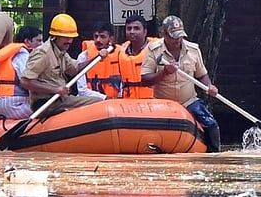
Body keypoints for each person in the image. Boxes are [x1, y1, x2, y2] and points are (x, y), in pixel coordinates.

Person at [141, 15, 221, 152]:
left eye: (180, 36)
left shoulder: (193, 49)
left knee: (211, 124)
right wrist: (164, 72)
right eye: (174, 36)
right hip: (163, 103)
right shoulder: (153, 50)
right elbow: (145, 80)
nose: (178, 40)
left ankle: (214, 154)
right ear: (164, 34)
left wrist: (210, 86)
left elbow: (202, 75)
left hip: (188, 101)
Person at [19, 13, 101, 115]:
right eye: (65, 37)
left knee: (99, 100)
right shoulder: (43, 53)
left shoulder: (61, 51)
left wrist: (98, 57)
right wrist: (55, 90)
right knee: (98, 103)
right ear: (55, 36)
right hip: (46, 103)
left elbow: (75, 69)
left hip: (60, 100)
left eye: (71, 37)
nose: (69, 41)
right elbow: (25, 81)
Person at [0, 25, 44, 118]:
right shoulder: (22, 55)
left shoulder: (10, 55)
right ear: (27, 41)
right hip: (13, 105)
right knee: (49, 110)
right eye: (38, 40)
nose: (42, 44)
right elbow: (27, 80)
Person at [77, 23, 122, 100]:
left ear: (111, 39)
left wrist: (121, 94)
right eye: (96, 36)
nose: (98, 40)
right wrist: (105, 98)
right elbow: (82, 90)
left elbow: (125, 83)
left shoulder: (121, 54)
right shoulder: (84, 56)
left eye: (102, 37)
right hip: (91, 101)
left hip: (116, 101)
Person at [118, 16, 157, 99]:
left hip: (153, 100)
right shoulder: (121, 50)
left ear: (145, 32)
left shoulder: (156, 49)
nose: (132, 32)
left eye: (136, 28)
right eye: (129, 29)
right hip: (129, 102)